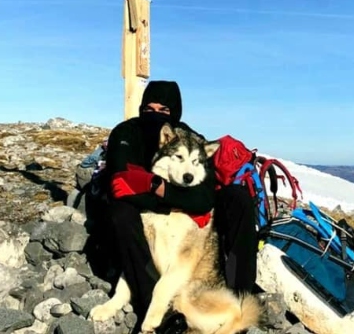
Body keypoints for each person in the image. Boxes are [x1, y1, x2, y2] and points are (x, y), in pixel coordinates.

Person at [102, 80, 258, 332]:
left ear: (174, 112)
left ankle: (238, 296)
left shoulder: (191, 138)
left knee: (237, 198)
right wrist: (171, 203)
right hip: (136, 207)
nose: (154, 115)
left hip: (172, 204)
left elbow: (204, 199)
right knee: (122, 211)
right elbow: (119, 185)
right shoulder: (126, 133)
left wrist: (159, 189)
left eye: (164, 110)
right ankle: (152, 305)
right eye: (149, 108)